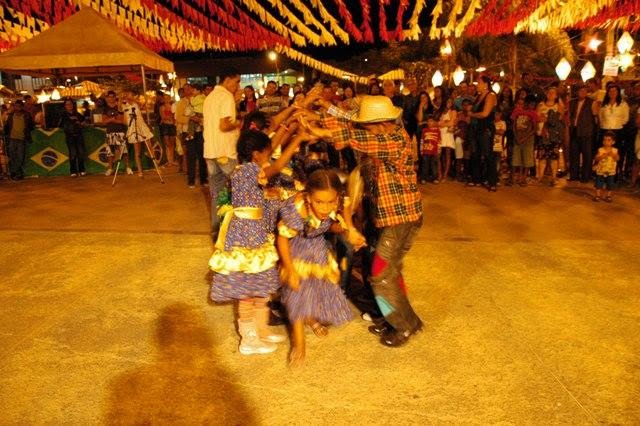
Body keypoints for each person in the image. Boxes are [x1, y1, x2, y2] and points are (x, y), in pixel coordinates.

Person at [307, 95, 424, 347]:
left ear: (381, 123)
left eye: (368, 124)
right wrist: (324, 108)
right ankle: (395, 318)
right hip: (387, 217)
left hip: (401, 220)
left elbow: (353, 137)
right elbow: (349, 123)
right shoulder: (382, 133)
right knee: (385, 272)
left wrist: (322, 130)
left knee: (381, 275)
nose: (363, 128)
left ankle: (405, 325)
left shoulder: (394, 140)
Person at [209, 129, 306, 355]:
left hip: (256, 233)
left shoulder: (249, 169)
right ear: (255, 154)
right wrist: (298, 138)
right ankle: (248, 340)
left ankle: (261, 330)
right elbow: (278, 165)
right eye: (266, 152)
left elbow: (272, 160)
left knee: (261, 287)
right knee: (247, 291)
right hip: (246, 237)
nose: (269, 155)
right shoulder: (247, 171)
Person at [277, 169, 358, 367]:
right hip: (294, 246)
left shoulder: (338, 203)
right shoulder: (296, 209)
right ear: (308, 197)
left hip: (316, 245)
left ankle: (311, 320)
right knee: (298, 292)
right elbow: (282, 239)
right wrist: (290, 268)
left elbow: (331, 226)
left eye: (330, 201)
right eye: (319, 202)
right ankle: (299, 342)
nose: (325, 207)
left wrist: (348, 231)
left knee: (318, 287)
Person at [203, 68, 242, 241]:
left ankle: (216, 230)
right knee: (240, 190)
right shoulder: (226, 96)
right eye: (236, 82)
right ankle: (237, 231)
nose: (237, 85)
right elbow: (224, 126)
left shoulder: (210, 96)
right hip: (225, 152)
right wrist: (240, 123)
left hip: (210, 151)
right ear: (227, 80)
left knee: (216, 194)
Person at [468, 75, 498, 191]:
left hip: (485, 128)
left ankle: (492, 181)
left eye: (479, 82)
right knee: (475, 153)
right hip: (476, 128)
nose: (477, 85)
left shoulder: (490, 95)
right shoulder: (479, 96)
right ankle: (477, 178)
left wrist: (472, 115)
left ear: (486, 84)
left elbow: (485, 113)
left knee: (488, 154)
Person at [536, 86, 565, 186]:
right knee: (542, 157)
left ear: (556, 95)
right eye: (549, 92)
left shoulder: (559, 106)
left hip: (554, 135)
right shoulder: (541, 105)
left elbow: (560, 119)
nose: (550, 94)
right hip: (543, 134)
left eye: (553, 93)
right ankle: (540, 177)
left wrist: (548, 119)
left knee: (553, 158)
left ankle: (553, 177)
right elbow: (538, 117)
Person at [598, 84, 629, 178]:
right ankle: (603, 174)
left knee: (616, 153)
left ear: (618, 92)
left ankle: (615, 175)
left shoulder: (623, 104)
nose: (612, 93)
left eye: (615, 91)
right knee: (604, 153)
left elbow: (625, 118)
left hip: (618, 132)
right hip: (605, 130)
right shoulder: (604, 104)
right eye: (610, 91)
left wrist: (616, 124)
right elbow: (600, 117)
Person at [569, 84, 597, 182]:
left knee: (587, 155)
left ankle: (586, 176)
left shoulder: (591, 102)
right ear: (577, 92)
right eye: (581, 91)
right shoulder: (572, 102)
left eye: (585, 91)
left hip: (586, 131)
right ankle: (574, 175)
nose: (583, 93)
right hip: (574, 130)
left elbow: (595, 117)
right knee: (574, 154)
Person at [122, 90, 154, 177]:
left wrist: (132, 100)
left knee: (149, 147)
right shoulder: (125, 106)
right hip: (132, 127)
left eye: (130, 95)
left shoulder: (136, 104)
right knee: (137, 151)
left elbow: (140, 105)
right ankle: (140, 171)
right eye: (127, 95)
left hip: (142, 126)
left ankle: (157, 166)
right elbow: (125, 121)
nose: (129, 97)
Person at [3, 100, 35, 181]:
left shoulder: (26, 115)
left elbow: (32, 125)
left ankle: (15, 172)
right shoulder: (11, 115)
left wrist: (26, 131)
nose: (18, 108)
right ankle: (17, 173)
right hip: (12, 138)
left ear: (22, 106)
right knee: (13, 156)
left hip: (22, 139)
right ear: (14, 106)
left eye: (19, 106)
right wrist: (4, 132)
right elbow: (7, 126)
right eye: (16, 106)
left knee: (20, 157)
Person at [511, 95, 538, 186]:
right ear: (526, 103)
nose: (532, 106)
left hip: (528, 139)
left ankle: (523, 178)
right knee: (516, 159)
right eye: (531, 104)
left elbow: (534, 128)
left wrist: (525, 138)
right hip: (517, 138)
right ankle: (513, 177)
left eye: (534, 105)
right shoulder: (517, 111)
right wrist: (516, 137)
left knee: (527, 160)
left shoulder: (534, 113)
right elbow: (514, 125)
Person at [101, 91, 130, 176]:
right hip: (110, 132)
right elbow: (103, 121)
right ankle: (110, 168)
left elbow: (121, 120)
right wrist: (113, 119)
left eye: (112, 96)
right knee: (110, 151)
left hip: (120, 131)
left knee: (123, 150)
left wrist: (110, 119)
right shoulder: (105, 108)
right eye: (109, 97)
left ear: (114, 97)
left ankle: (128, 167)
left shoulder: (119, 106)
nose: (110, 98)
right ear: (107, 98)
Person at [57, 98, 86, 177]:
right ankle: (73, 171)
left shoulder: (77, 114)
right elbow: (59, 125)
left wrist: (80, 123)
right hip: (69, 135)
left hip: (79, 134)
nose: (69, 105)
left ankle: (82, 170)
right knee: (73, 153)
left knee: (80, 153)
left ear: (73, 105)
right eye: (67, 104)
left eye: (70, 104)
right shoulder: (63, 115)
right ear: (65, 106)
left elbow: (84, 121)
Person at [592, 131, 619, 202]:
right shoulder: (600, 150)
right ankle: (598, 195)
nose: (606, 142)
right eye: (604, 140)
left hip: (610, 171)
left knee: (610, 184)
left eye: (609, 140)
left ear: (613, 142)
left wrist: (613, 155)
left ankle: (608, 195)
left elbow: (617, 159)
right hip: (601, 170)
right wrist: (601, 157)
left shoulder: (615, 150)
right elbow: (596, 158)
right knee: (598, 184)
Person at [438, 97, 457, 181]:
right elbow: (438, 122)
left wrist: (443, 123)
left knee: (447, 154)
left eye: (450, 101)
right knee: (439, 155)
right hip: (440, 133)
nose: (449, 103)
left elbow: (452, 123)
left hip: (448, 133)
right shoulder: (441, 111)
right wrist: (445, 123)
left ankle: (445, 174)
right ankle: (439, 173)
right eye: (447, 101)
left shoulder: (453, 111)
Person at [420, 115, 441, 184]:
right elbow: (422, 140)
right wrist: (421, 150)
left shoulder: (437, 131)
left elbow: (439, 141)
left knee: (433, 165)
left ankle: (435, 178)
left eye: (431, 121)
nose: (430, 123)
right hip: (426, 151)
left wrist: (439, 150)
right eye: (428, 121)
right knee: (425, 165)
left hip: (434, 151)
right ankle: (423, 178)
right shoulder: (424, 130)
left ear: (435, 122)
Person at [159, 94, 178, 167]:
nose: (167, 100)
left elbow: (174, 116)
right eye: (165, 98)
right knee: (167, 144)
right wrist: (170, 118)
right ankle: (169, 160)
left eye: (168, 98)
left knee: (172, 143)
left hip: (172, 125)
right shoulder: (162, 107)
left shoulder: (172, 106)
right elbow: (163, 117)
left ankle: (172, 160)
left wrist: (171, 118)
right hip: (166, 126)